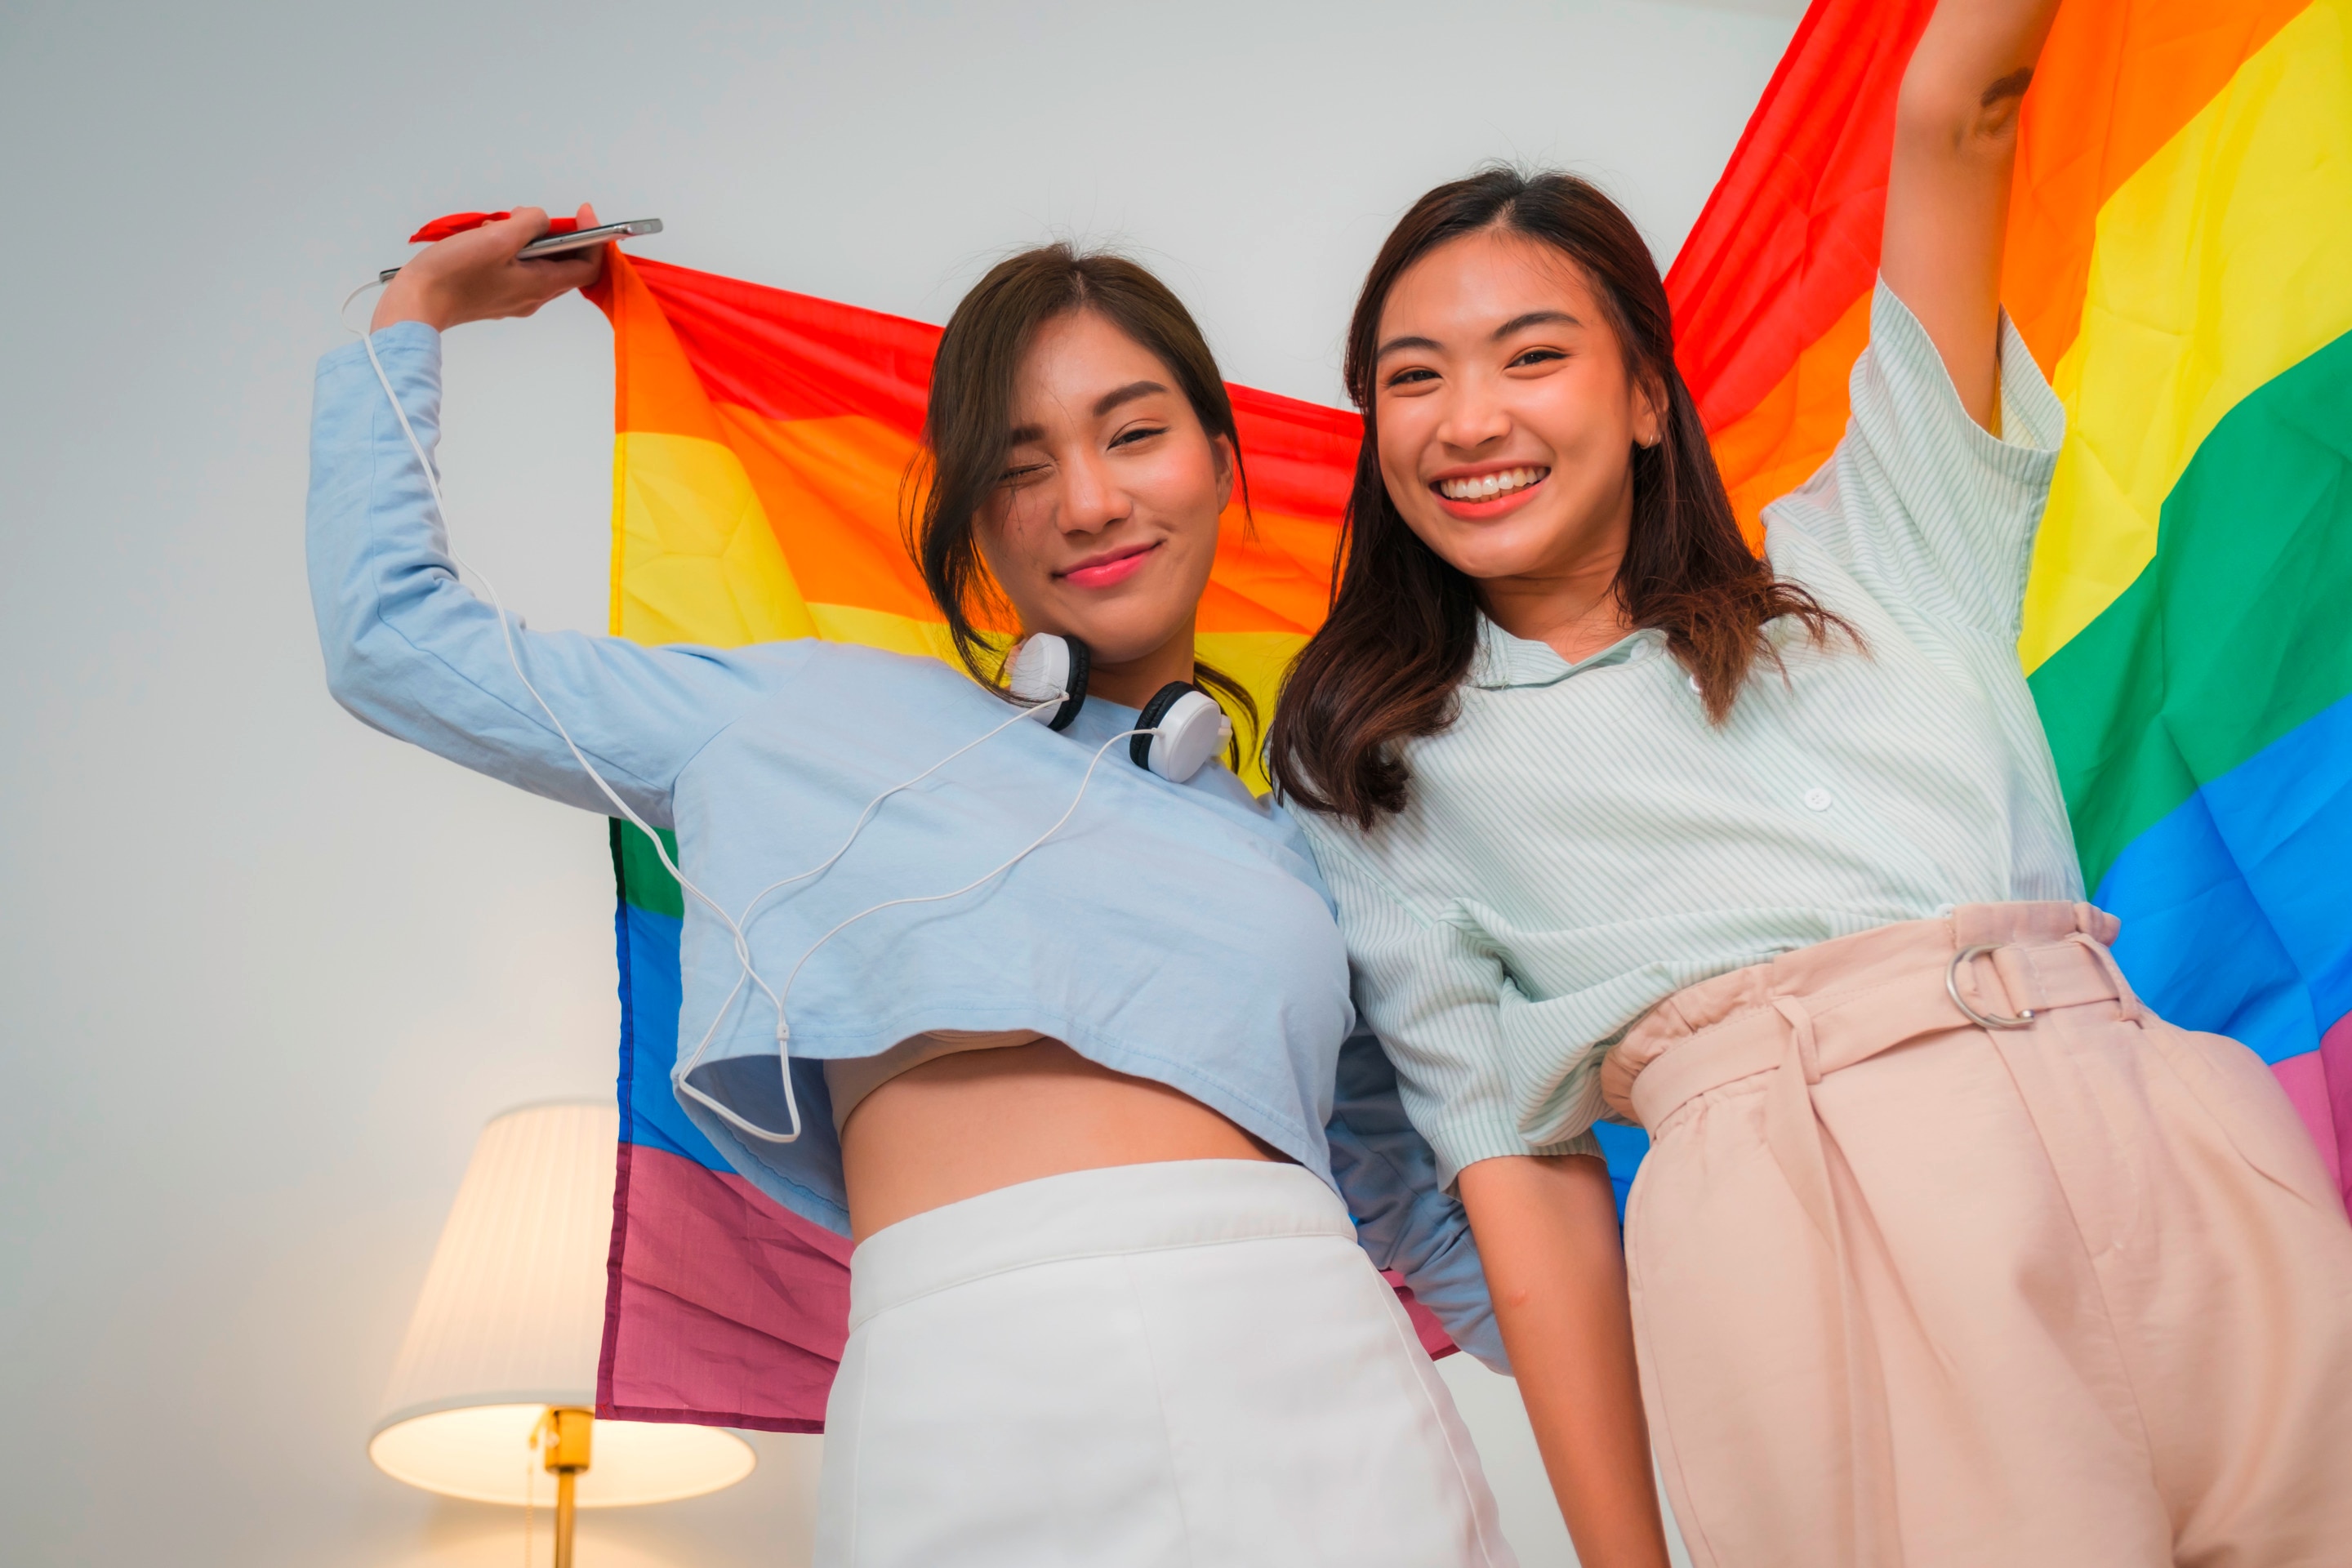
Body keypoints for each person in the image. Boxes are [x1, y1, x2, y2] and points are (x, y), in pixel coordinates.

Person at [1268, 2, 2352, 1564]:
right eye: (1412, 378)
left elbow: (1956, 107)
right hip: (1819, 1251)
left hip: (2173, 1161)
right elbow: (1523, 1190)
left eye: (1533, 355)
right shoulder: (1385, 771)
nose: (1471, 420)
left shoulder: (1885, 539)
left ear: (1647, 398)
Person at [312, 215, 1516, 1567]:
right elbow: (395, 644)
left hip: (1323, 1393)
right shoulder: (794, 716)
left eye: (1133, 435)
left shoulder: (1309, 851)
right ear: (965, 515)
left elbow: (1434, 1215)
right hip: (962, 1403)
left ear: (1221, 463)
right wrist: (409, 314)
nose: (1089, 501)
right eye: (1021, 465)